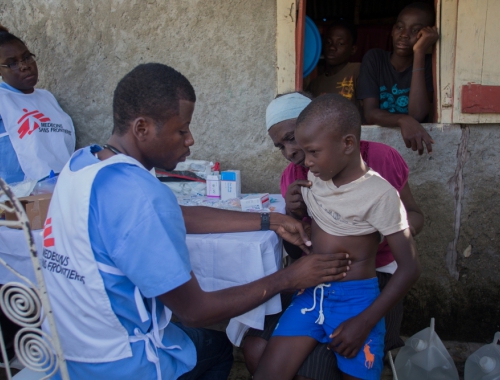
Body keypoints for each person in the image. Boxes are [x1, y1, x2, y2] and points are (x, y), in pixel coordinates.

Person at [40, 63, 351, 380]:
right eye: (181, 129)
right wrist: (289, 278)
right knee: (217, 349)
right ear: (142, 128)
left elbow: (176, 214)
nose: (190, 140)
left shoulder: (84, 164)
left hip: (63, 350)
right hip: (119, 363)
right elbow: (195, 311)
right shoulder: (141, 195)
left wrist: (269, 220)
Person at [243, 92, 424, 380]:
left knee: (329, 365)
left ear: (345, 142)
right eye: (283, 146)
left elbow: (409, 259)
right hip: (314, 289)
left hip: (362, 290)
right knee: (259, 355)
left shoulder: (378, 186)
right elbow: (306, 247)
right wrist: (294, 215)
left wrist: (377, 230)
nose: (294, 154)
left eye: (300, 143)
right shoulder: (310, 175)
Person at [357, 2, 439, 155]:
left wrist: (419, 52)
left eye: (415, 30)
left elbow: (417, 114)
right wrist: (403, 120)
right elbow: (370, 113)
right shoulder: (375, 59)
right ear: (393, 30)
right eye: (400, 27)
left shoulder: (430, 65)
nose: (404, 34)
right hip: (376, 147)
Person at [0, 25, 75, 183]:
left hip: (61, 188)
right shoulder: (3, 98)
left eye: (27, 57)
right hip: (18, 197)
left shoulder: (47, 98)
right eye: (12, 63)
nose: (24, 66)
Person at [307, 21, 360, 107]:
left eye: (340, 43)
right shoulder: (315, 84)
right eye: (328, 42)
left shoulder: (358, 71)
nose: (332, 47)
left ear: (353, 49)